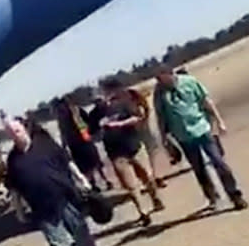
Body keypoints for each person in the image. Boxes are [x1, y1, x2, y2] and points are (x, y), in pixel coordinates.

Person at [4, 116, 110, 246]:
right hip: (43, 208)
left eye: (16, 129)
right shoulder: (13, 160)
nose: (14, 133)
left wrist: (82, 180)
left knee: (82, 237)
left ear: (25, 127)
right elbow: (14, 189)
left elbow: (68, 162)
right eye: (10, 131)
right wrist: (18, 210)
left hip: (66, 198)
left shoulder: (46, 145)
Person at [153, 65, 247, 211]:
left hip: (202, 129)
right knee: (199, 169)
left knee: (219, 162)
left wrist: (219, 121)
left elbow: (205, 101)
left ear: (170, 74)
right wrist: (165, 140)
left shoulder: (189, 82)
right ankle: (212, 197)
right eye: (158, 80)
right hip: (183, 136)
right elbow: (161, 117)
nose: (160, 82)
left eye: (162, 79)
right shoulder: (159, 93)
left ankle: (235, 195)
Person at [100, 78, 165, 226]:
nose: (104, 93)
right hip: (115, 152)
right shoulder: (99, 109)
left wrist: (119, 124)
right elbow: (90, 130)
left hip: (133, 146)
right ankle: (142, 212)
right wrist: (97, 130)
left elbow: (138, 117)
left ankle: (155, 198)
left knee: (147, 176)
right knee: (130, 185)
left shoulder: (125, 101)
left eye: (105, 89)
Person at [53, 97, 113, 191]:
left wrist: (64, 145)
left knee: (87, 166)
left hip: (75, 143)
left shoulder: (62, 116)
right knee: (95, 162)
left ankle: (95, 184)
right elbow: (88, 121)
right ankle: (106, 181)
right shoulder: (75, 109)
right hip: (84, 139)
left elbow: (64, 132)